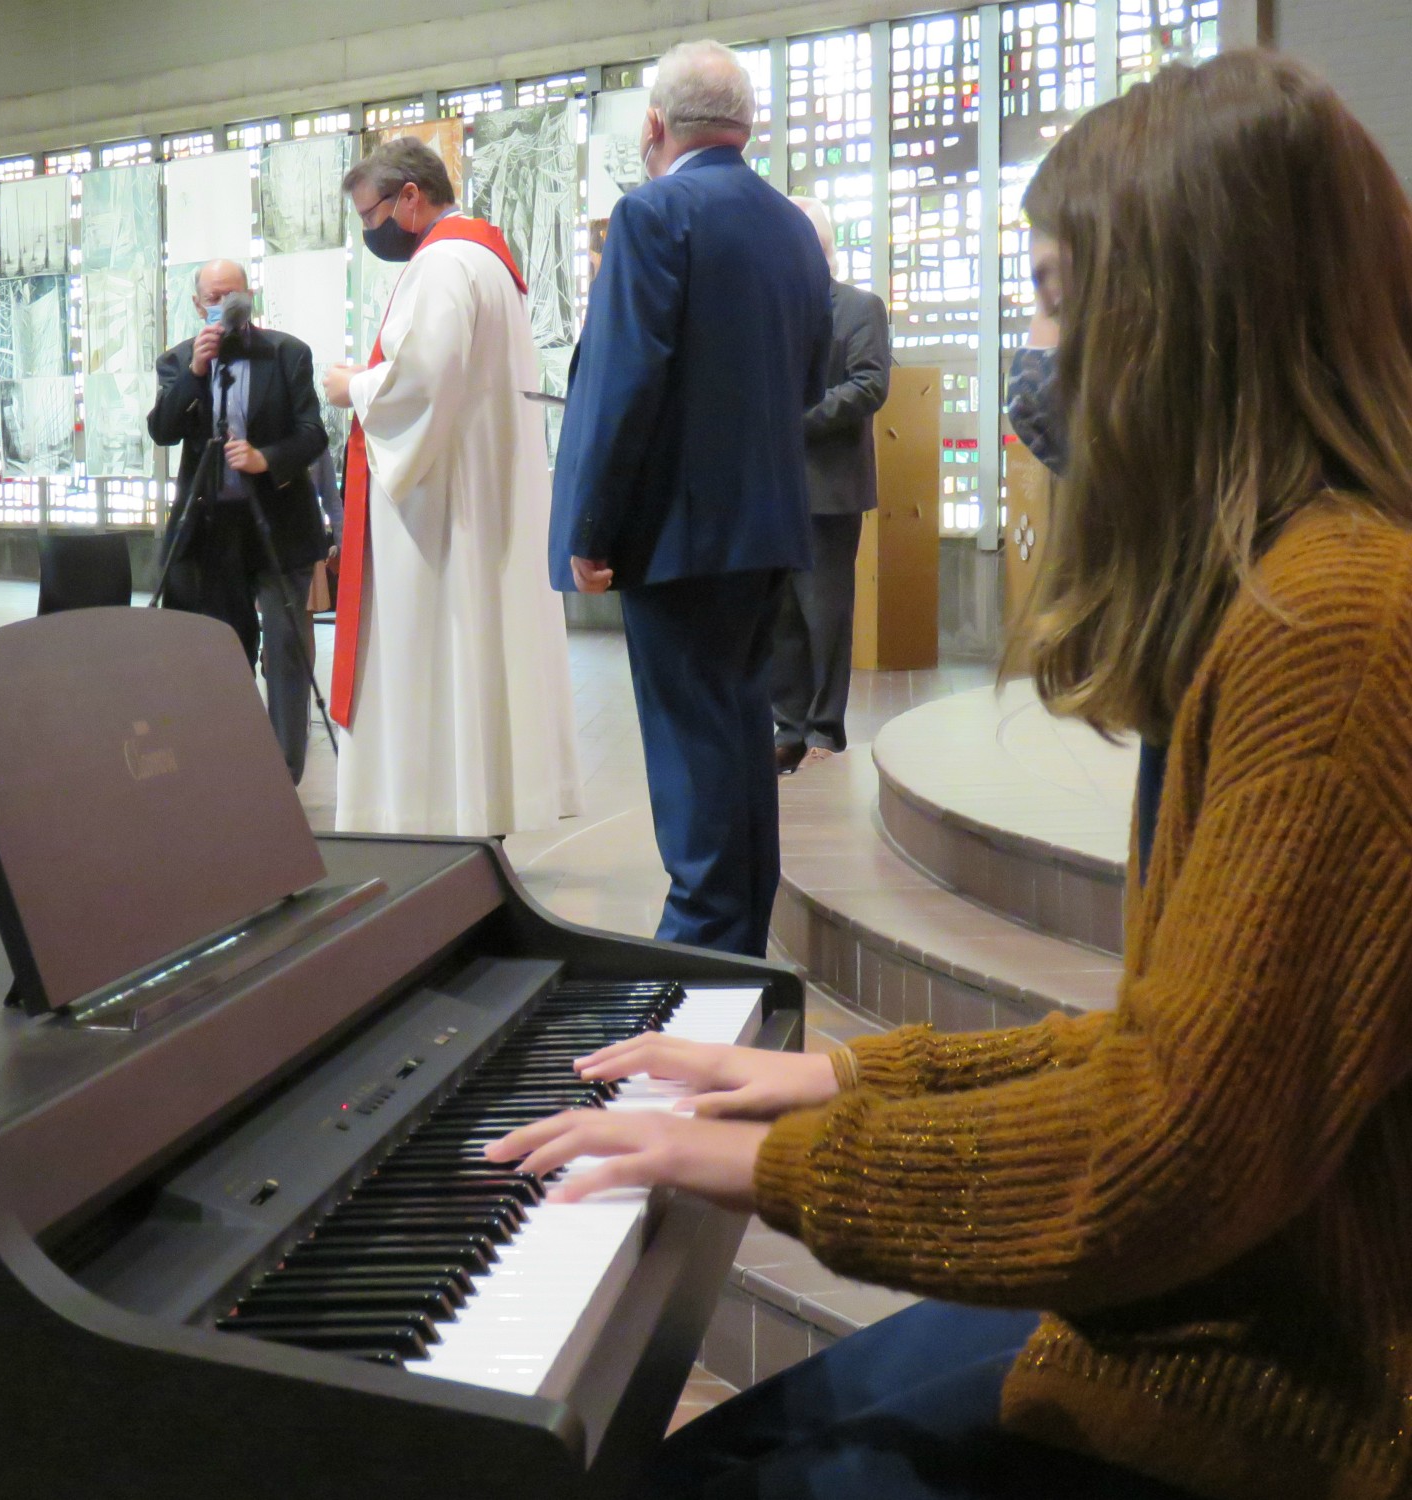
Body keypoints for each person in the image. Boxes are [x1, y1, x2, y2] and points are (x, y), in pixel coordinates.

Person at [493, 51, 1412, 1500]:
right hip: (1219, 1311)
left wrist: (780, 1164)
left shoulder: (1334, 628)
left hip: (1281, 1395)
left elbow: (1172, 1148)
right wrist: (839, 1071)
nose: (1034, 357)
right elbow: (1171, 1046)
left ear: (1184, 325)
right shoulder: (1296, 589)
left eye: (1053, 300)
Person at [548, 40, 831, 957]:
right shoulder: (792, 226)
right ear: (744, 128)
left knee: (690, 753)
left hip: (676, 535)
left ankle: (699, 960)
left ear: (657, 127)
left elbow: (625, 384)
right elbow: (809, 376)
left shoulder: (654, 213)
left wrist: (590, 527)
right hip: (770, 527)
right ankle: (738, 941)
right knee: (741, 739)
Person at [323, 138, 581, 837]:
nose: (370, 230)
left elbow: (423, 382)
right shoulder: (486, 261)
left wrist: (356, 387)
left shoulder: (442, 263)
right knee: (477, 660)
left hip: (444, 514)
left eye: (371, 213)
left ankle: (434, 818)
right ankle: (474, 811)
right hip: (479, 495)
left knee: (437, 661)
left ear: (410, 197)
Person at [147, 258, 329, 784]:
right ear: (196, 303)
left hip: (280, 524)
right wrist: (196, 374)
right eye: (213, 296)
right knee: (225, 655)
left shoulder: (289, 353)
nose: (223, 305)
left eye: (232, 295)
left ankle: (284, 775)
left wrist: (266, 458)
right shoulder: (178, 360)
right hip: (212, 533)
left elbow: (314, 432)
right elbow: (162, 430)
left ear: (249, 297)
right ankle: (233, 767)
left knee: (286, 652)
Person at [767, 197, 890, 775]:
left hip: (830, 488)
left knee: (826, 617)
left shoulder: (861, 308)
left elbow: (869, 385)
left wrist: (799, 420)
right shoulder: (770, 311)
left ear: (819, 248)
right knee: (781, 619)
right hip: (773, 489)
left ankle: (824, 730)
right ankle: (787, 727)